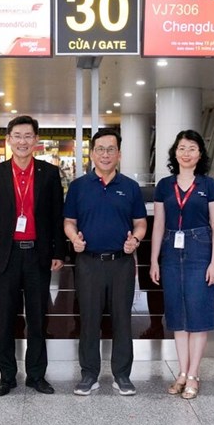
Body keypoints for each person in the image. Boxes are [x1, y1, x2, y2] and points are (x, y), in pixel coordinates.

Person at [0, 116, 66, 397]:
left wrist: (58, 251)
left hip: (38, 256)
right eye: (17, 136)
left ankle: (36, 375)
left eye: (28, 136)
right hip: (6, 257)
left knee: (37, 318)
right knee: (5, 318)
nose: (22, 141)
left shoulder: (49, 173)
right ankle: (6, 376)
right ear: (9, 139)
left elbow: (57, 216)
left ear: (36, 140)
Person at [63, 128, 147, 396]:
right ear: (92, 153)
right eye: (100, 149)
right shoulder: (78, 187)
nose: (106, 154)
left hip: (121, 263)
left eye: (111, 149)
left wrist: (135, 239)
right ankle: (89, 374)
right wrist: (73, 238)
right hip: (88, 263)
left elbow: (141, 224)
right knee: (89, 320)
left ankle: (122, 375)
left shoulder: (130, 188)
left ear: (119, 154)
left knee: (123, 319)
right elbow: (69, 222)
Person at [149, 130, 214, 400]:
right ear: (175, 152)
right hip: (170, 249)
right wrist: (154, 259)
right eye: (182, 148)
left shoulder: (209, 185)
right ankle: (181, 372)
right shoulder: (164, 185)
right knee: (178, 314)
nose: (186, 153)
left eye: (192, 148)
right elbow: (158, 224)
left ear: (200, 154)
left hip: (200, 248)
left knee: (198, 313)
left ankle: (193, 374)